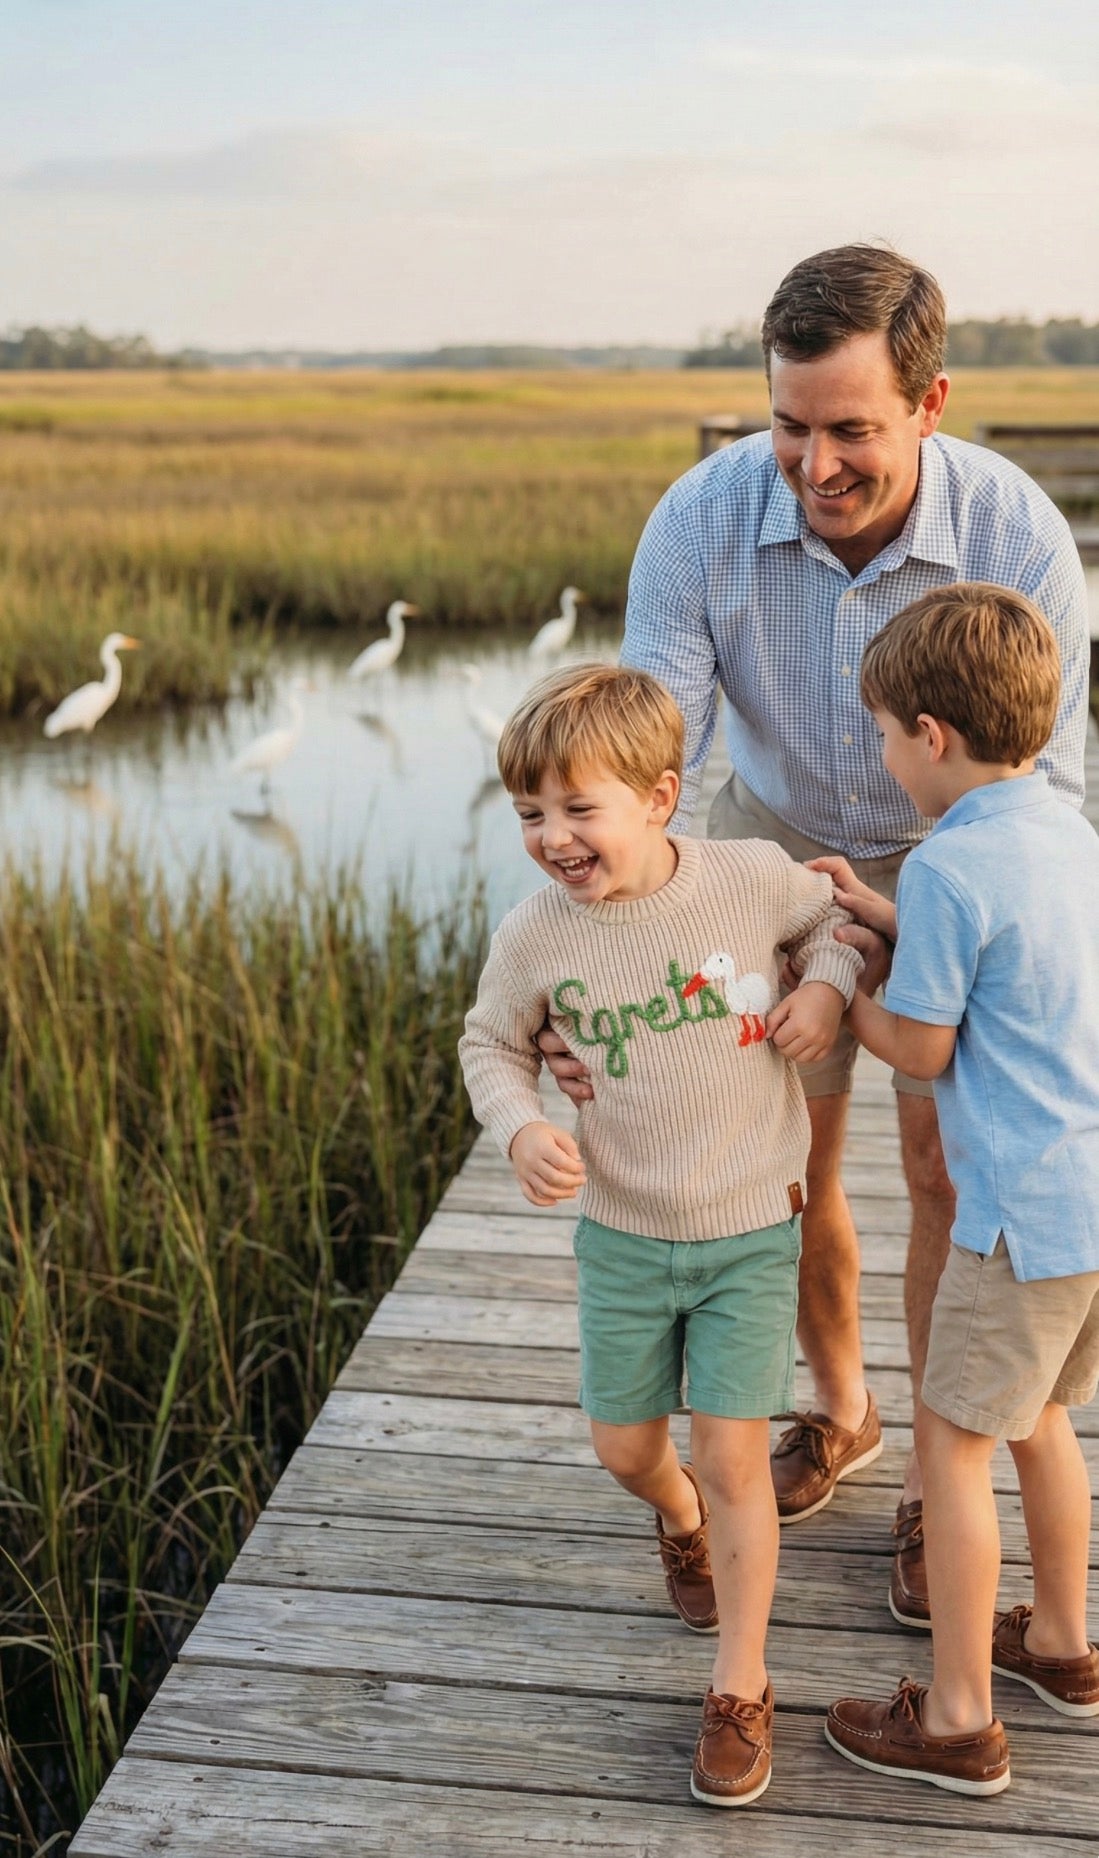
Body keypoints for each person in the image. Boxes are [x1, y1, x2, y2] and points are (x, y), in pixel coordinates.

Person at [540, 244, 1089, 1621]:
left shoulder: (1018, 536)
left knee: (942, 1164)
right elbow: (648, 765)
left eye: (851, 429)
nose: (814, 463)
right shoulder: (701, 516)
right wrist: (600, 966)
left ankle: (937, 1483)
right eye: (789, 424)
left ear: (928, 402)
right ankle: (842, 1413)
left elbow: (1054, 791)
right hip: (766, 846)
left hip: (958, 851)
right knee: (791, 1160)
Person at [459, 663, 861, 1806]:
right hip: (624, 1235)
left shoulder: (746, 878)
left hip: (749, 1231)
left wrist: (826, 989)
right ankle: (677, 1516)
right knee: (626, 1448)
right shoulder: (536, 934)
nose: (551, 837)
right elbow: (490, 1042)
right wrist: (520, 1124)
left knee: (735, 1458)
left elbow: (833, 920)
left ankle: (740, 1682)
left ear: (660, 796)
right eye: (529, 812)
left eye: (577, 808)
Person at [816, 583, 1099, 1795]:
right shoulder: (1069, 832)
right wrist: (886, 916)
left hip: (1010, 1221)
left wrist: (842, 996)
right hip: (1088, 1207)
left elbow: (923, 1051)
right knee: (1041, 1420)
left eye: (883, 733)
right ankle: (1062, 1643)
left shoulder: (945, 866)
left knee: (950, 1444)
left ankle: (956, 1717)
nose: (883, 754)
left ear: (930, 736)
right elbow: (1007, 963)